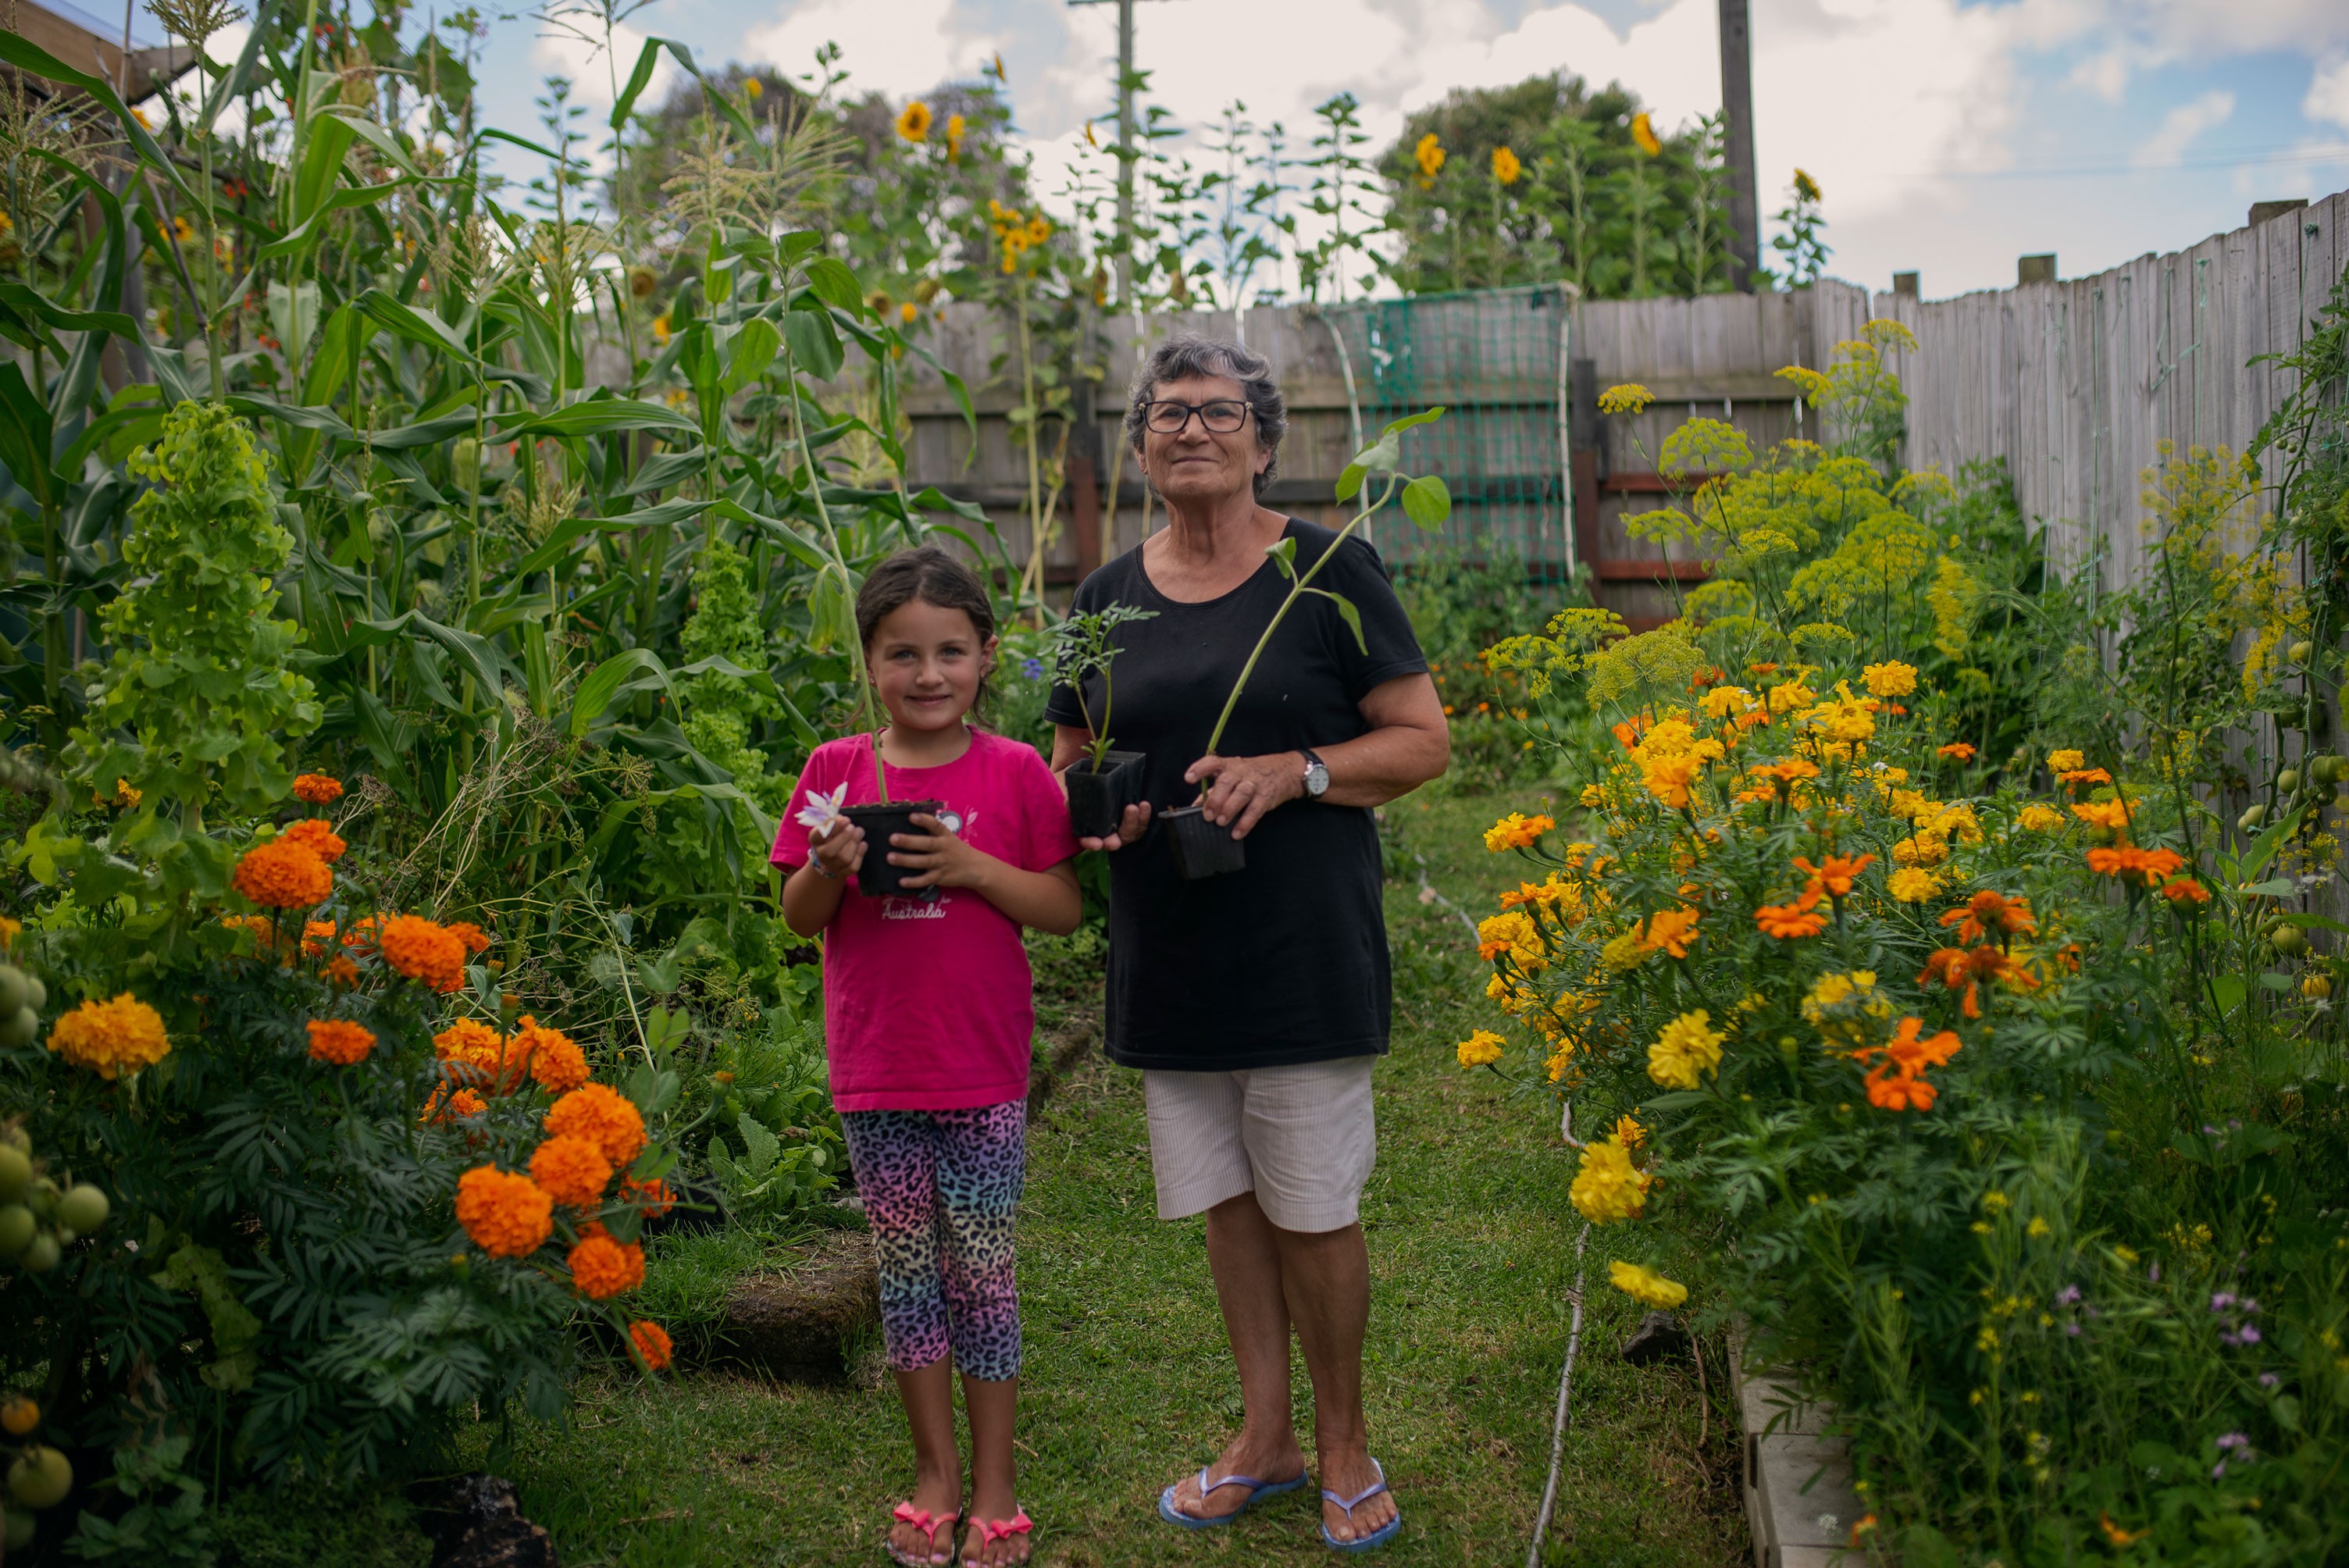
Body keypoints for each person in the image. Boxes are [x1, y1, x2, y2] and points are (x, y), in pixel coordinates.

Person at [1043, 334, 1450, 1552]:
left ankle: (1343, 1444)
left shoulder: (1331, 574)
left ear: (1265, 442)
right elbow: (1066, 746)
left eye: (1220, 413)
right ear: (1141, 446)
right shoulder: (1104, 597)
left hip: (1299, 940)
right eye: (1168, 413)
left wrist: (1298, 770)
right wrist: (1095, 804)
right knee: (1227, 1199)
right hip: (1167, 943)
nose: (1192, 431)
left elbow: (1421, 743)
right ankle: (1263, 1438)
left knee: (1311, 1201)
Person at [775, 546, 1082, 1568]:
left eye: (951, 651)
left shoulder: (1017, 773)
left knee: (982, 1274)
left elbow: (1062, 910)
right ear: (869, 661)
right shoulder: (834, 775)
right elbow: (798, 918)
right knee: (908, 1275)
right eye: (902, 654)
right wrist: (828, 865)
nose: (928, 674)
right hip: (878, 1076)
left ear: (987, 655)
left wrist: (971, 866)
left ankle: (996, 1483)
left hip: (983, 1075)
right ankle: (935, 1475)